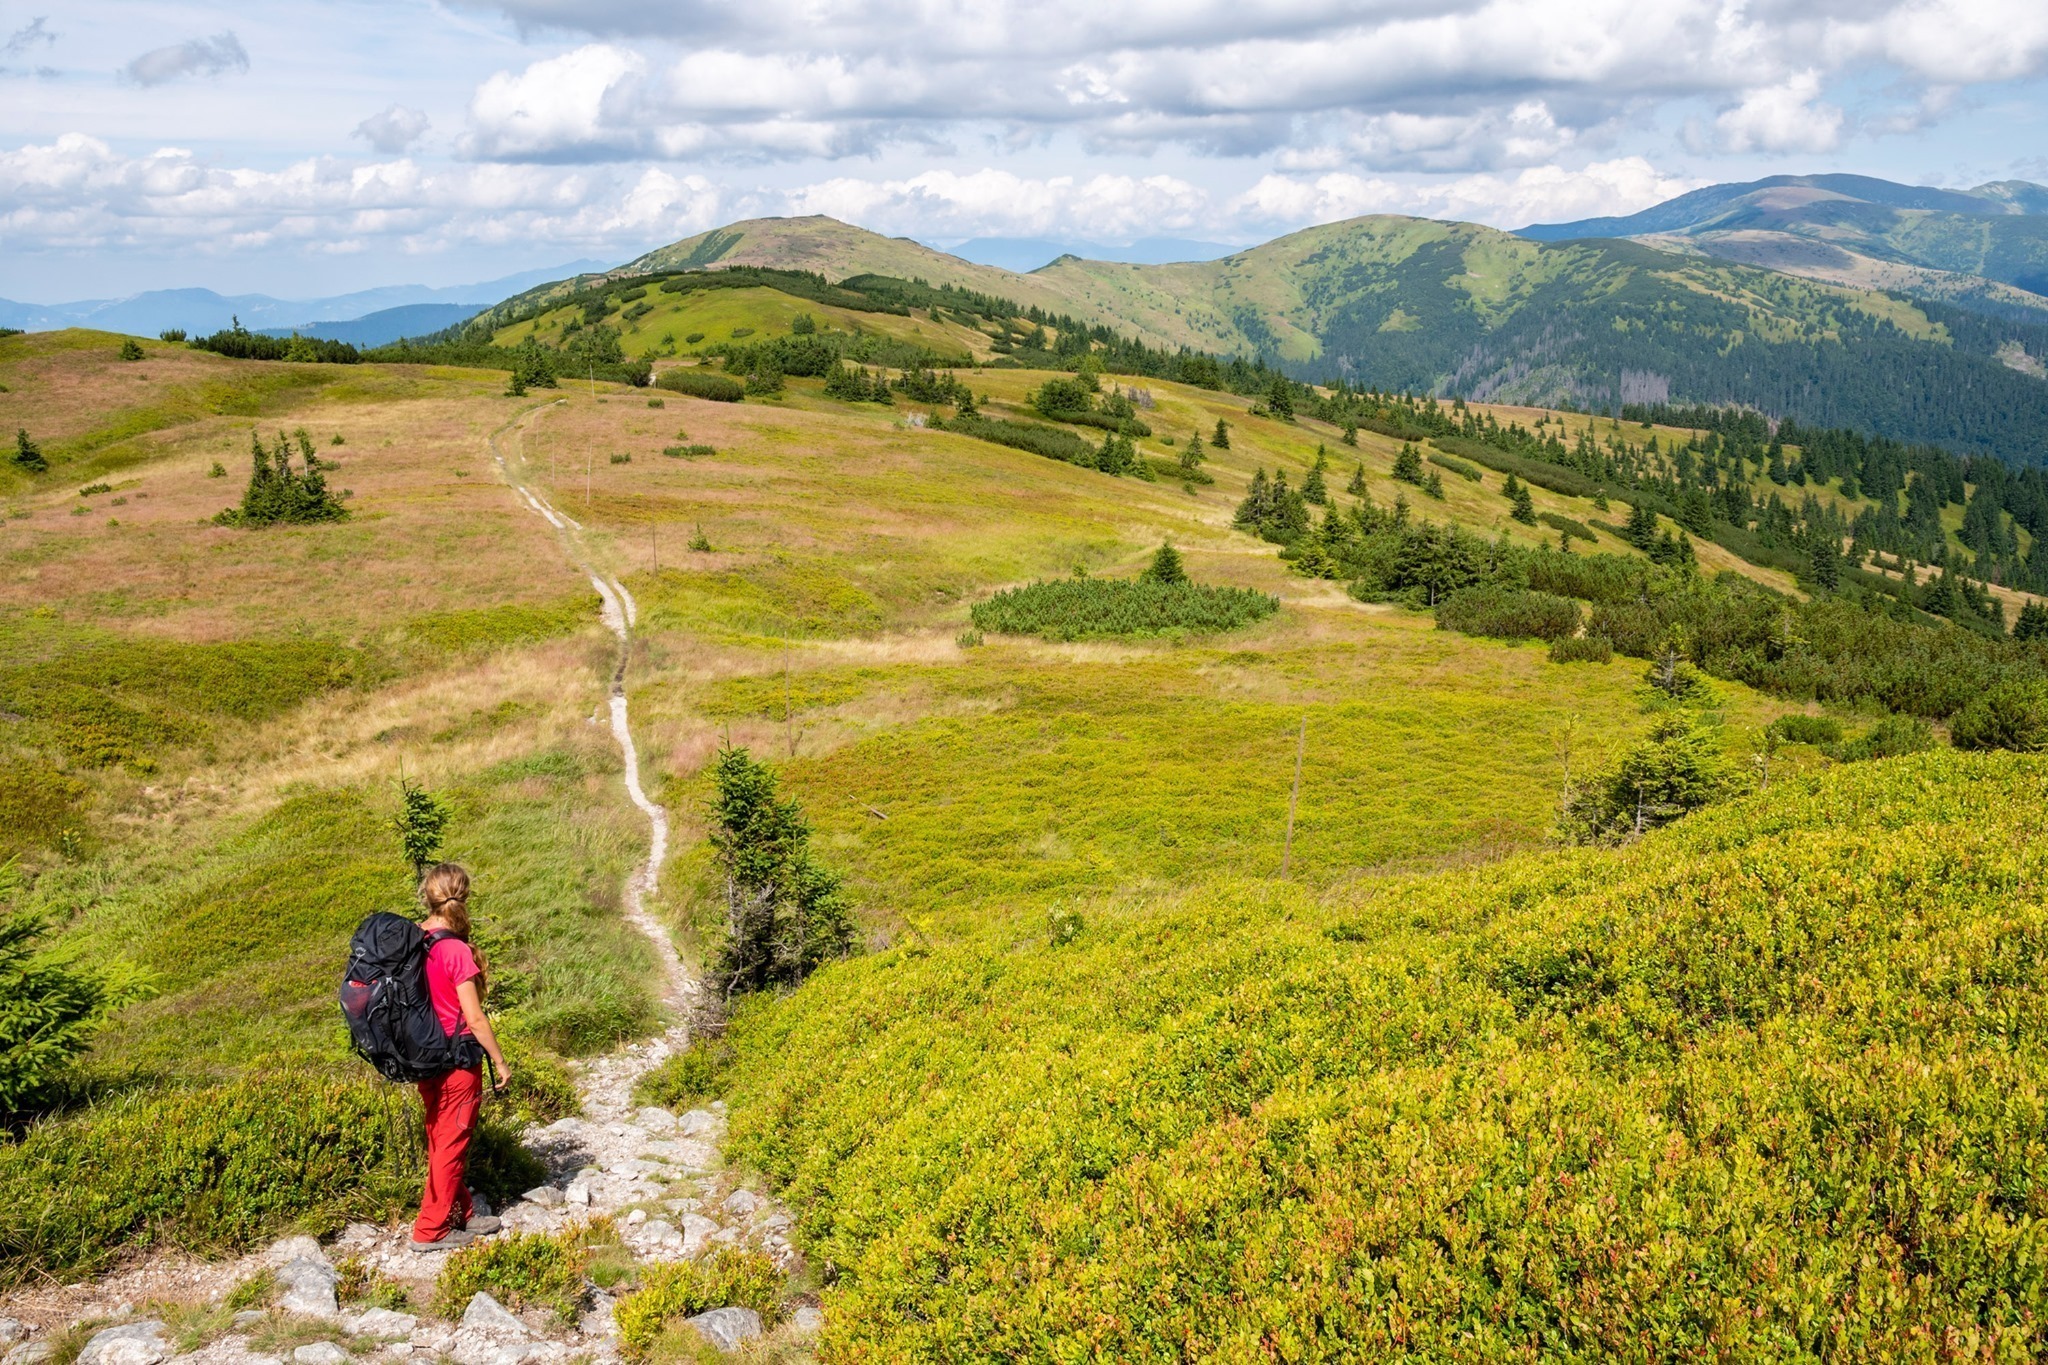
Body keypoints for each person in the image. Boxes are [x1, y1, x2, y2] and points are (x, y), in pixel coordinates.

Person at [412, 862, 512, 1252]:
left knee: (441, 1137)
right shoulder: (454, 949)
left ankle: (461, 1213)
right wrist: (500, 1061)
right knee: (452, 1141)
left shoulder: (412, 941)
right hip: (457, 1060)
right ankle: (430, 1230)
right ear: (464, 896)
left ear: (428, 896)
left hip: (424, 1056)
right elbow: (474, 1017)